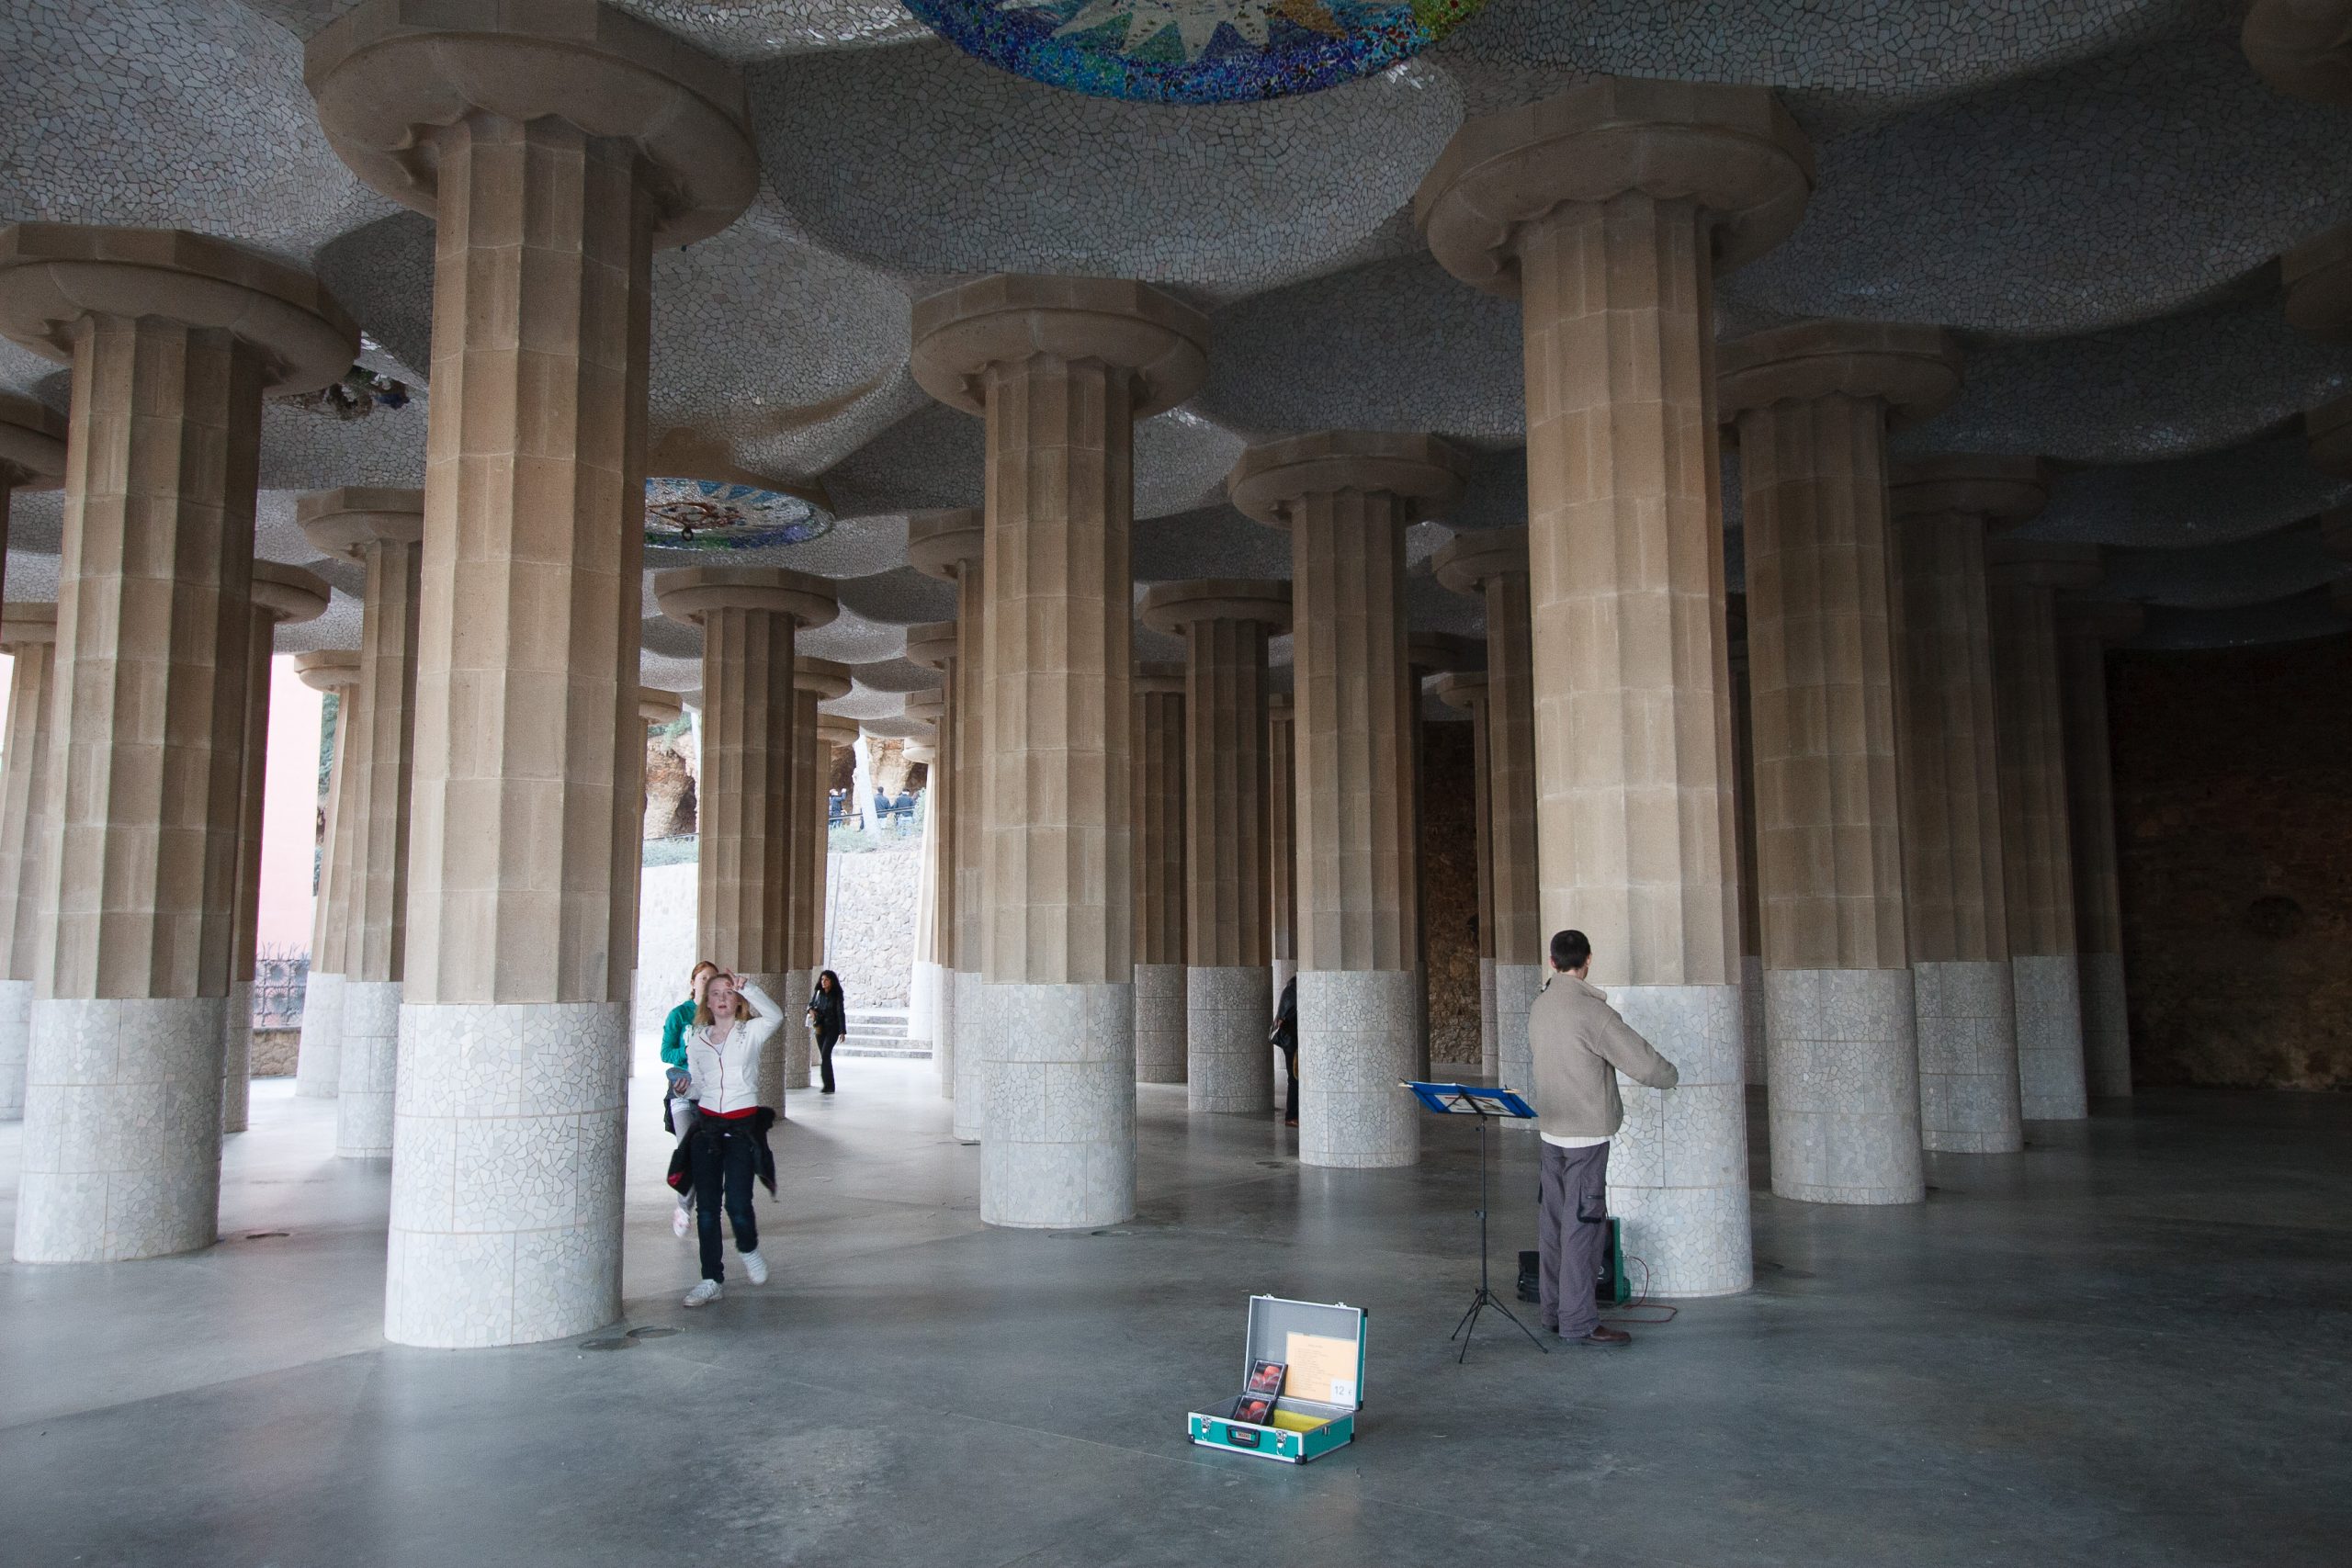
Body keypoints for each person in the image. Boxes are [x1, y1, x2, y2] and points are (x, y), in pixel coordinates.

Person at [1526, 929, 1679, 1348]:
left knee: (1554, 1225)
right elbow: (1645, 1065)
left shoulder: (1540, 1005)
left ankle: (1554, 1312)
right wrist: (1672, 1076)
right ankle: (1578, 1321)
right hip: (1585, 1137)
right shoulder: (1592, 1013)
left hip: (1551, 1131)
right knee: (1583, 1228)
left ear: (1553, 961)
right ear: (1588, 960)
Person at [676, 971, 783, 1307]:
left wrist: (749, 988)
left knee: (737, 1203)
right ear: (707, 1003)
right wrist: (684, 1088)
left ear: (736, 1001)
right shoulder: (697, 1040)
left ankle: (749, 1248)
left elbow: (776, 1016)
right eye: (715, 993)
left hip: (741, 1128)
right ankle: (711, 1278)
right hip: (707, 1127)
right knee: (707, 1208)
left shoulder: (749, 1033)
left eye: (728, 993)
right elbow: (697, 1085)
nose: (722, 998)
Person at [662, 961, 719, 1239]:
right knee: (690, 1147)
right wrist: (687, 1050)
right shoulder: (679, 1015)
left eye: (713, 978)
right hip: (682, 1091)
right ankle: (683, 1207)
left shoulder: (720, 1014)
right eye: (703, 978)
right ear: (693, 982)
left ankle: (706, 1213)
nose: (707, 982)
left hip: (710, 1093)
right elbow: (666, 1052)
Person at [806, 969, 848, 1093]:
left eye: (826, 980)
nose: (823, 982)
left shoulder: (837, 995)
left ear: (832, 981)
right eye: (822, 979)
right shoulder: (819, 992)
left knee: (825, 1054)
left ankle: (828, 1085)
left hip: (832, 1029)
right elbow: (810, 1005)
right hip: (820, 1027)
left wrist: (842, 1031)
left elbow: (840, 1012)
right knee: (825, 1056)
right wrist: (811, 1011)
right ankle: (828, 1085)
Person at [1270, 976, 1299, 1127]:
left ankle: (1294, 1114)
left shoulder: (1289, 991)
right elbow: (1289, 1021)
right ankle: (1291, 1115)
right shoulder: (1293, 993)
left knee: (1294, 1078)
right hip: (1292, 1043)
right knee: (1295, 1079)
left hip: (1290, 1042)